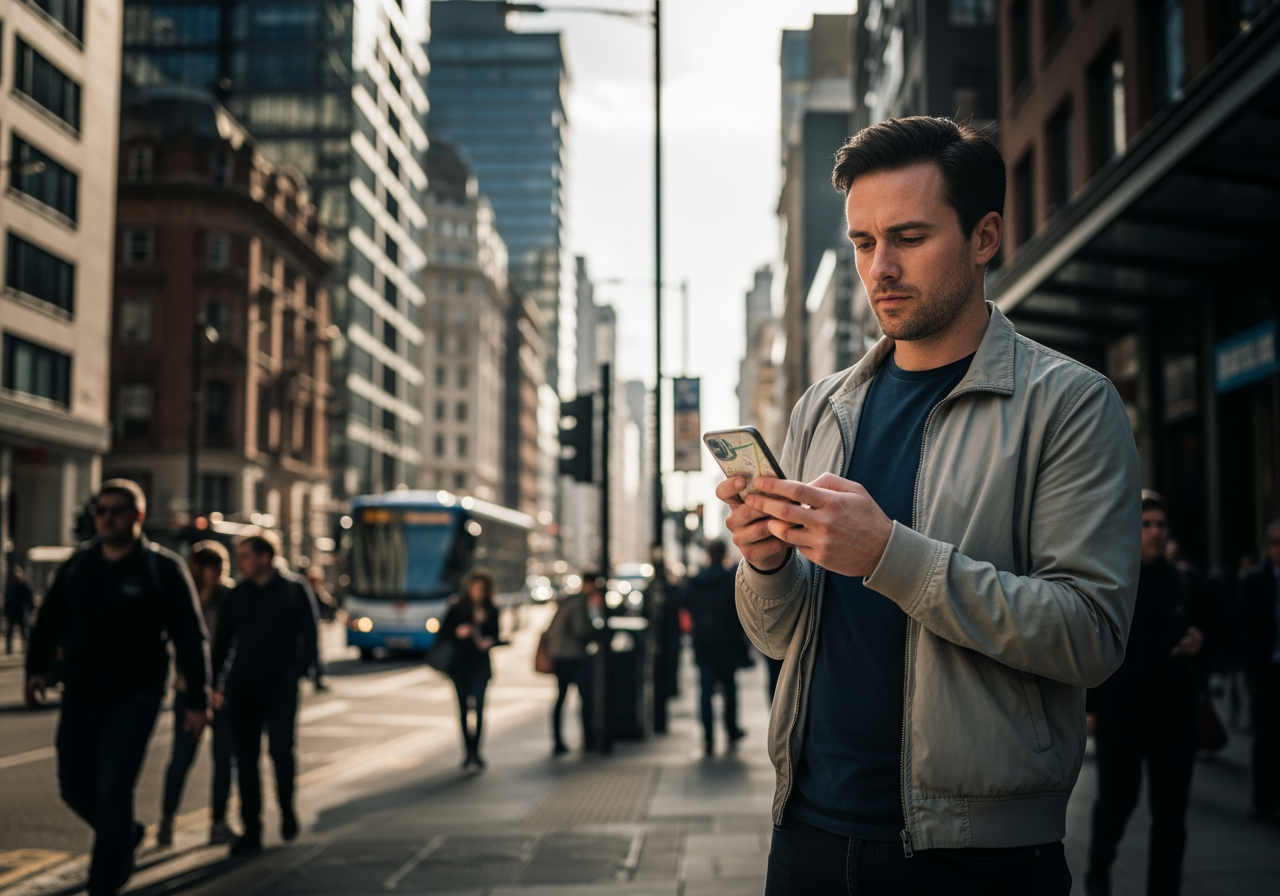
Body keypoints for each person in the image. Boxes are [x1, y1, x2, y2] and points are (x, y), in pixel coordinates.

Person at [718, 117, 1140, 895]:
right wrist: (767, 564)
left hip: (981, 858)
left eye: (909, 237)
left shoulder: (1071, 405)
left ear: (984, 238)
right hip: (806, 833)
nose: (880, 268)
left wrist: (888, 555)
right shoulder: (823, 408)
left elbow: (1092, 635)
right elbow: (777, 638)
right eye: (863, 243)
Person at [24, 480, 210, 896]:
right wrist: (36, 669)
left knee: (112, 791)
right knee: (73, 787)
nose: (107, 517)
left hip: (135, 698)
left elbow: (190, 637)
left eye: (117, 510)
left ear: (138, 517)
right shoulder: (79, 565)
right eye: (101, 510)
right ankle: (125, 835)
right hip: (80, 695)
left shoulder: (162, 570)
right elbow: (49, 620)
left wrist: (197, 699)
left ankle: (103, 884)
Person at [1085, 492, 1204, 896]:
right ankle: (1098, 872)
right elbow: (1093, 645)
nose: (1154, 533)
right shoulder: (1114, 580)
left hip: (1175, 718)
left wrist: (1197, 645)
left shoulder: (1184, 580)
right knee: (1116, 805)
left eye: (1160, 525)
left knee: (1171, 817)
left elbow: (1214, 641)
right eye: (1146, 524)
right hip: (1123, 716)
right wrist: (1089, 708)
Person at [211, 531, 319, 855]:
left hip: (280, 689)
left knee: (282, 753)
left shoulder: (293, 590)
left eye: (245, 556)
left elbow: (311, 639)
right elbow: (222, 642)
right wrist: (214, 682)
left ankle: (286, 809)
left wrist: (295, 674)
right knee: (246, 760)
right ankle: (252, 828)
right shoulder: (236, 594)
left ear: (264, 557)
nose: (239, 563)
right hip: (241, 688)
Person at [158, 541, 236, 847]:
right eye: (208, 566)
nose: (214, 574)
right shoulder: (183, 597)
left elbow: (233, 645)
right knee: (180, 759)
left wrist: (221, 685)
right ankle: (166, 821)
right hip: (189, 692)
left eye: (219, 567)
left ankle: (218, 822)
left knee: (223, 760)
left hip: (221, 694)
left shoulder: (228, 598)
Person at [1234, 518, 1280, 822]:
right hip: (1267, 669)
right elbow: (1239, 625)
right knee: (1265, 737)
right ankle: (1262, 800)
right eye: (1277, 542)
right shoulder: (1254, 580)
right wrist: (1248, 670)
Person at [686, 541, 749, 754]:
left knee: (705, 691)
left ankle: (708, 736)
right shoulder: (731, 580)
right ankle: (731, 730)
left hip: (703, 643)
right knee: (729, 689)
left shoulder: (695, 582)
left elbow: (686, 606)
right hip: (727, 642)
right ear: (723, 554)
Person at [441, 568, 501, 769]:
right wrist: (459, 632)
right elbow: (444, 633)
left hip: (481, 665)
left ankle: (477, 751)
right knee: (463, 710)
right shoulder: (458, 608)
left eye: (482, 589)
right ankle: (467, 752)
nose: (478, 592)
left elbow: (497, 634)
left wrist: (489, 641)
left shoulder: (491, 609)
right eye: (475, 588)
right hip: (460, 665)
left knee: (480, 709)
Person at [545, 573, 597, 755]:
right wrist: (596, 632)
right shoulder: (578, 603)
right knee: (585, 698)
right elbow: (580, 629)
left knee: (561, 697)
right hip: (572, 656)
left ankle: (558, 740)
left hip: (560, 655)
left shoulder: (569, 600)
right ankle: (588, 738)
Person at [5, 564, 34, 654]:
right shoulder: (11, 585)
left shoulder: (24, 585)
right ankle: (9, 648)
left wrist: (30, 609)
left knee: (24, 632)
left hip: (22, 612)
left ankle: (25, 648)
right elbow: (8, 599)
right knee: (10, 631)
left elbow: (29, 598)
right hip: (13, 612)